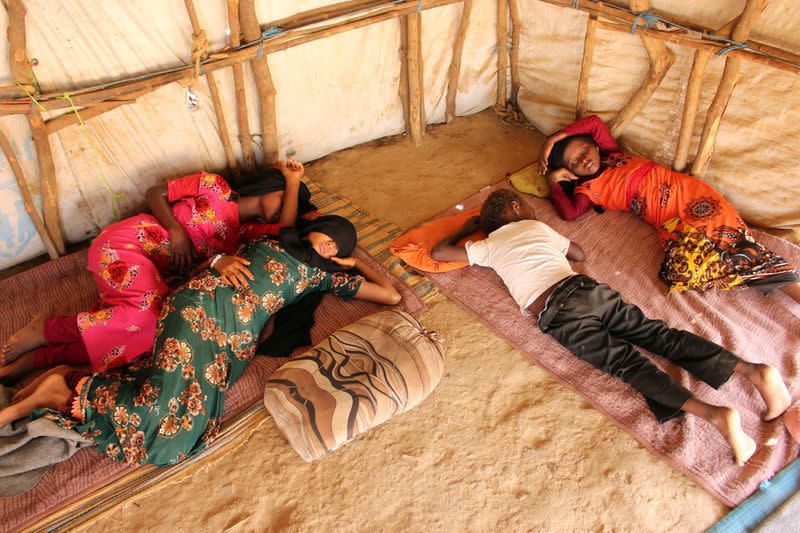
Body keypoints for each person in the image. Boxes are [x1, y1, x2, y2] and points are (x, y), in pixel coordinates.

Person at [0, 215, 401, 466]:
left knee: (183, 434)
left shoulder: (324, 276)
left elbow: (392, 295)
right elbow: (205, 254)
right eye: (331, 237)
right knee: (167, 413)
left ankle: (64, 387)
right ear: (316, 228)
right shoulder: (269, 241)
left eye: (338, 248)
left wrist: (355, 263)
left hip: (234, 341)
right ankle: (56, 391)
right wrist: (215, 261)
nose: (332, 247)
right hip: (197, 307)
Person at [430, 189, 794, 465]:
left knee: (625, 364)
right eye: (525, 206)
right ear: (514, 210)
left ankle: (716, 414)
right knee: (658, 335)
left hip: (558, 313)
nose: (532, 209)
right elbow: (579, 255)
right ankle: (755, 371)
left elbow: (440, 253)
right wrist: (547, 241)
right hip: (588, 290)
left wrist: (469, 227)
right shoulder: (536, 228)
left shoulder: (491, 244)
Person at [0, 159, 312, 380]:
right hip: (126, 244)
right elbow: (155, 192)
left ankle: (42, 357)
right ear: (269, 184)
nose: (286, 204)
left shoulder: (238, 237)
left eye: (292, 202)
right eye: (285, 195)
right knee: (144, 317)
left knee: (151, 336)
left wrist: (294, 182)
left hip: (149, 276)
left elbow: (284, 228)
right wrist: (175, 230)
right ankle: (44, 331)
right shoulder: (214, 187)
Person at [538, 114, 800, 302]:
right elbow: (569, 213)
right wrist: (553, 182)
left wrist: (555, 139)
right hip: (671, 222)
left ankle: (766, 273)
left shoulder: (613, 152)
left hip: (691, 196)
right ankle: (748, 267)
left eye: (584, 149)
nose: (583, 158)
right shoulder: (588, 190)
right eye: (574, 161)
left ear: (595, 146)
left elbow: (594, 122)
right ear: (569, 171)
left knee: (739, 248)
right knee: (677, 272)